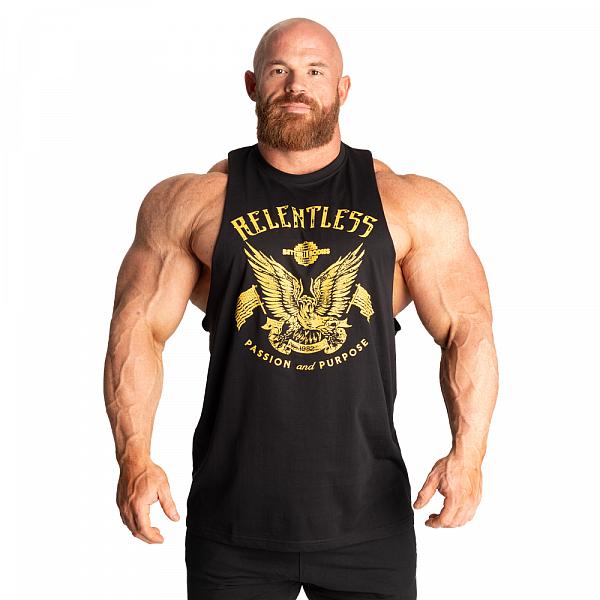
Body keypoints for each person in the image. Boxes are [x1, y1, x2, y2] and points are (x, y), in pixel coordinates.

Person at [103, 16, 499, 600]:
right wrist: (134, 459)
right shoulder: (192, 201)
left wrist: (469, 455)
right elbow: (137, 329)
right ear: (252, 84)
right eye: (279, 70)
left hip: (369, 522)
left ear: (342, 88)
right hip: (231, 523)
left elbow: (468, 326)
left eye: (315, 71)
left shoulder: (410, 203)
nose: (296, 86)